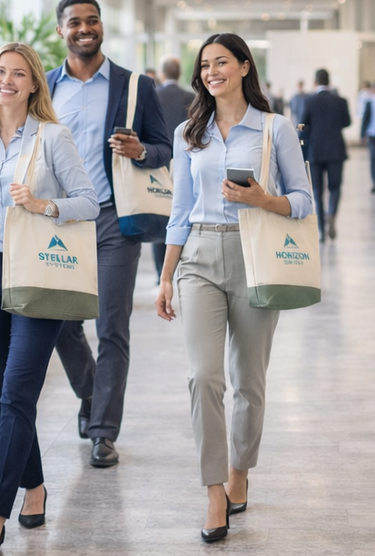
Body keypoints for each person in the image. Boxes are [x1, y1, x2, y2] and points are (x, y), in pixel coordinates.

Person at [155, 32, 314, 544]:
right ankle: (214, 491)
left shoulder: (275, 128)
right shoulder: (188, 132)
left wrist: (266, 200)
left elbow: (305, 201)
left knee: (249, 379)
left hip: (254, 256)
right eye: (205, 65)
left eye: (221, 62)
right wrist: (165, 275)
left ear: (245, 66)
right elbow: (179, 210)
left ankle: (241, 471)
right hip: (198, 257)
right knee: (204, 377)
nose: (211, 71)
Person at [0, 42, 99, 551]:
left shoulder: (53, 137)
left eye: (18, 74)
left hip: (39, 273)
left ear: (34, 83)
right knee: (6, 394)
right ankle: (34, 487)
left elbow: (90, 203)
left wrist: (42, 204)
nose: (6, 80)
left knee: (17, 393)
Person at [47, 0, 172, 469]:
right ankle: (90, 393)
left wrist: (142, 151)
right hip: (58, 219)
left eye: (92, 20)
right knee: (59, 319)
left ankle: (103, 431)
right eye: (75, 22)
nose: (85, 28)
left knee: (112, 327)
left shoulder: (134, 85)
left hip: (113, 220)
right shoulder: (46, 88)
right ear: (61, 31)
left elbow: (165, 149)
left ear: (102, 27)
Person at [151, 56, 197, 284]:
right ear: (179, 74)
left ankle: (162, 271)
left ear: (162, 74)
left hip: (159, 165)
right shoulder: (191, 98)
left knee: (162, 216)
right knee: (184, 212)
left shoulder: (154, 96)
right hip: (186, 163)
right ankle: (185, 267)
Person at [299, 68, 350, 241]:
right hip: (336, 150)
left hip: (315, 152)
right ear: (329, 81)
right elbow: (347, 122)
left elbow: (302, 125)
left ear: (315, 82)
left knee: (317, 191)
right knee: (335, 188)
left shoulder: (309, 101)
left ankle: (321, 230)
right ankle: (332, 213)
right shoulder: (341, 101)